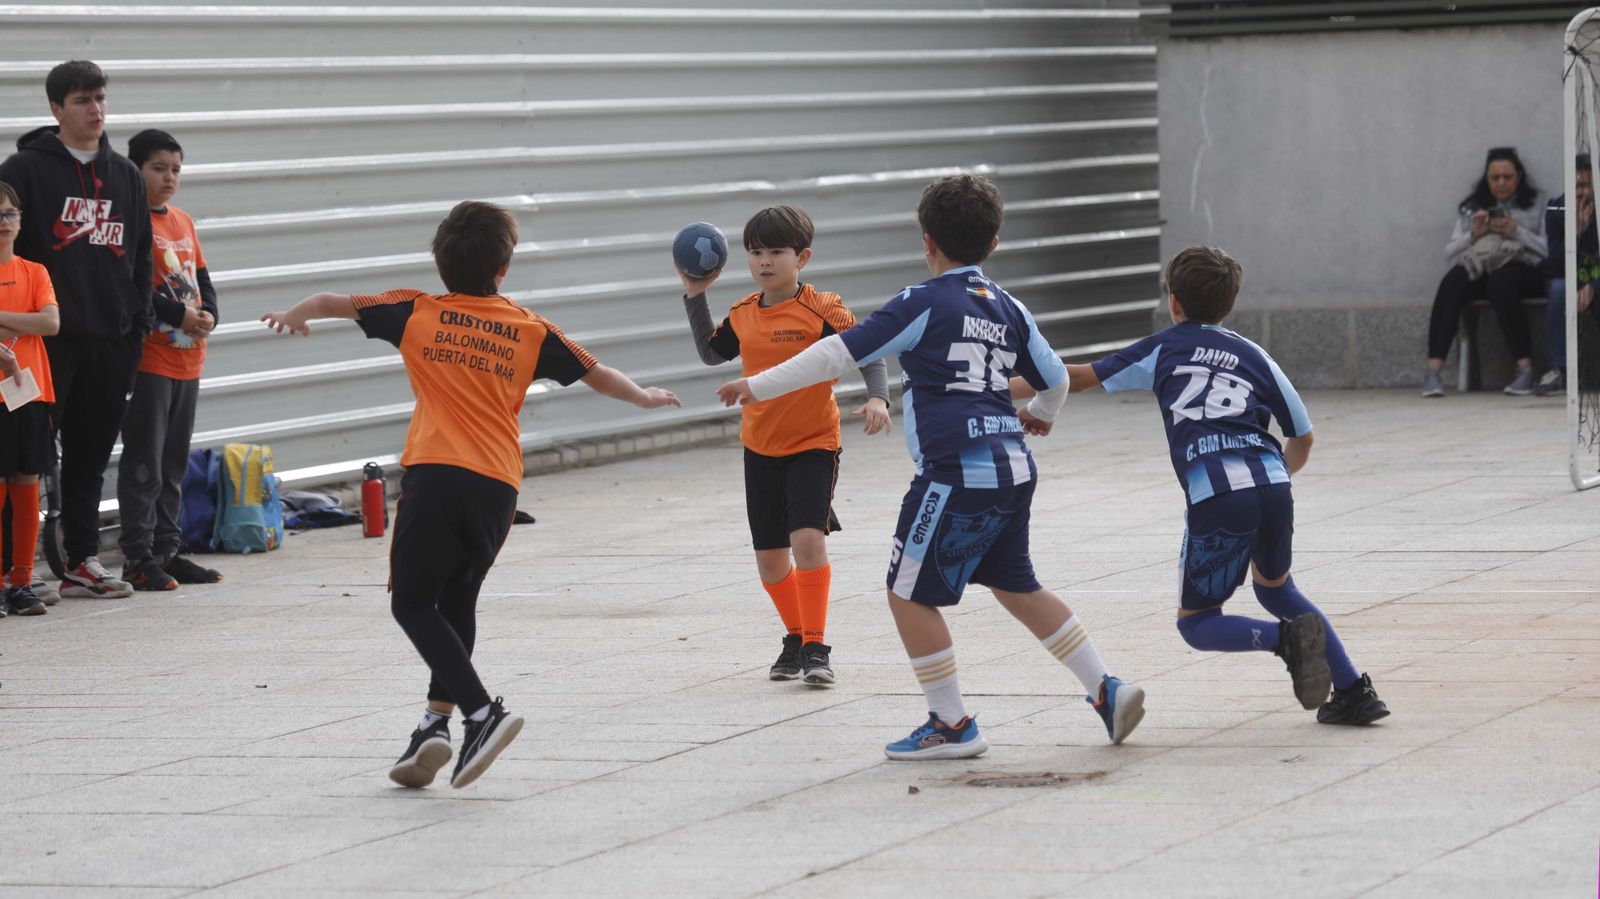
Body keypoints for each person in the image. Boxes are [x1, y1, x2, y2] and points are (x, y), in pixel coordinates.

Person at [716, 174, 1145, 759]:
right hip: (1013, 468)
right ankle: (1105, 688)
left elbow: (836, 354)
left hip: (953, 472)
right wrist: (1041, 414)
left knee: (907, 593)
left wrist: (756, 384)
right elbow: (1056, 378)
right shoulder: (1008, 306)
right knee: (1016, 585)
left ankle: (951, 724)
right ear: (993, 244)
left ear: (926, 240)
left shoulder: (921, 302)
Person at [261, 200, 681, 789]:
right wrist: (646, 398)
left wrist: (293, 314)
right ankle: (434, 726)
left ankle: (482, 714)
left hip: (436, 474)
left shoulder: (415, 309)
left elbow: (335, 303)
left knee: (411, 603)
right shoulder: (531, 328)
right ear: (502, 269)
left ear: (440, 264)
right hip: (498, 488)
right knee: (458, 600)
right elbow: (598, 373)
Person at [1021, 245, 1388, 725]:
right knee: (1277, 590)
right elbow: (1303, 436)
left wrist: (996, 388)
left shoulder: (1166, 347)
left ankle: (1285, 642)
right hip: (1274, 485)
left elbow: (1075, 377)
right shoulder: (1255, 355)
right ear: (1228, 304)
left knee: (1197, 625)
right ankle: (1355, 692)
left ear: (1174, 302)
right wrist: (1272, 479)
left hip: (1219, 495)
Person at [679, 205, 891, 685]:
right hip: (760, 448)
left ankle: (817, 645)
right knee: (772, 562)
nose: (765, 261)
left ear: (803, 257)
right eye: (755, 252)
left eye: (777, 251)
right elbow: (712, 353)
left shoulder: (824, 308)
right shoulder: (743, 313)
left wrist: (877, 397)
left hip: (814, 443)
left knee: (807, 540)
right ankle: (794, 637)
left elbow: (869, 351)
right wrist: (695, 295)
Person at [0, 60, 150, 598]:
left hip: (110, 343)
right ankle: (14, 574)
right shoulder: (24, 170)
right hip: (41, 347)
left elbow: (140, 260)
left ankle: (82, 561)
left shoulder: (126, 175)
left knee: (89, 458)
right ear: (56, 108)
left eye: (101, 98)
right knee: (23, 461)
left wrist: (134, 327)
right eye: (83, 100)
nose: (96, 109)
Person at [117, 129, 222, 590]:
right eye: (158, 168)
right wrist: (180, 314)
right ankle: (138, 557)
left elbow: (203, 277)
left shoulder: (182, 221)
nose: (169, 177)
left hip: (189, 360)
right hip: (151, 359)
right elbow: (133, 287)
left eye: (176, 169)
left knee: (174, 460)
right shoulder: (131, 223)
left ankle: (168, 548)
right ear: (135, 169)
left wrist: (210, 316)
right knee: (145, 461)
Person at [1422, 147, 1548, 397]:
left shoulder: (1539, 204)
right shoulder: (1473, 206)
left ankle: (1525, 370)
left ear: (1519, 177)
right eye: (1495, 177)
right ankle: (1433, 372)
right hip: (1482, 267)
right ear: (1487, 178)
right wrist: (1474, 234)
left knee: (1502, 282)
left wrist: (1517, 231)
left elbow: (1549, 250)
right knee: (1452, 282)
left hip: (1522, 270)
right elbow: (1450, 252)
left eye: (1507, 177)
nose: (1501, 183)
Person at [0, 181, 61, 617]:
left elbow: (50, 323)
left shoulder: (34, 272)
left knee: (26, 486)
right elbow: (36, 321)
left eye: (10, 214)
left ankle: (22, 579)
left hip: (29, 393)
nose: (3, 223)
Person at [1537, 155, 1600, 397]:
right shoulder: (1557, 209)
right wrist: (1576, 231)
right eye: (1575, 186)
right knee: (1558, 289)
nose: (1580, 193)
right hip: (1573, 278)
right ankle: (1559, 369)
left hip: (1595, 281)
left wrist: (1594, 285)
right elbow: (1554, 265)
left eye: (1586, 186)